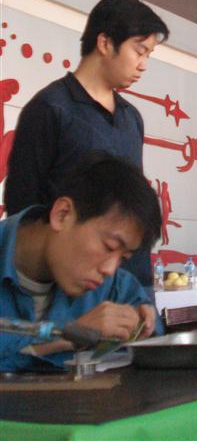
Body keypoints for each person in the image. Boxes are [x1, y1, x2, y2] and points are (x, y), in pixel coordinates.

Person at [4, 0, 169, 286]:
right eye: (139, 51)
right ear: (105, 43)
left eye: (148, 56)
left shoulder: (132, 118)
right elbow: (23, 209)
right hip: (70, 286)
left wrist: (141, 290)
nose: (143, 65)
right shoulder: (50, 109)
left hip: (130, 283)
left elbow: (134, 207)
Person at [0, 152, 162, 372]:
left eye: (123, 258)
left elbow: (156, 334)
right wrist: (66, 337)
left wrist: (142, 325)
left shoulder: (113, 286)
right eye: (109, 247)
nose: (109, 269)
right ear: (62, 214)